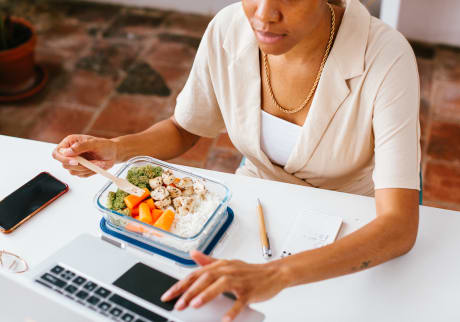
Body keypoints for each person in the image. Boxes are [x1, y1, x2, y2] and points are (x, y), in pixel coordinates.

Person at [53, 0, 421, 320]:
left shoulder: (385, 56)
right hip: (255, 214)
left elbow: (399, 225)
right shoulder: (229, 28)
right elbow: (185, 128)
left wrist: (276, 275)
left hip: (353, 230)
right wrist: (117, 149)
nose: (263, 15)